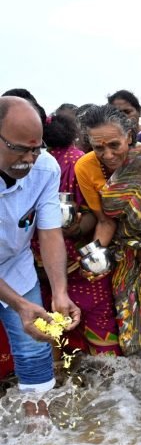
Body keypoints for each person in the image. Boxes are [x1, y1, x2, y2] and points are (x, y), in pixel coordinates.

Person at [75, 105, 141, 365]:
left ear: (130, 137)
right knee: (129, 317)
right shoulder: (85, 168)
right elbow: (105, 219)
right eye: (98, 148)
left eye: (114, 144)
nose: (107, 154)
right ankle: (137, 386)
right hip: (124, 252)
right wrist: (94, 256)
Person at [0, 97, 80, 415]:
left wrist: (60, 292)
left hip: (15, 265)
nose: (29, 159)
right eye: (19, 148)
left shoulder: (45, 166)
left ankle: (39, 440)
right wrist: (20, 304)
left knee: (35, 348)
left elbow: (49, 232)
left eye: (36, 148)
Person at [31, 114, 119, 354]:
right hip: (80, 262)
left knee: (52, 332)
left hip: (38, 266)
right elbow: (101, 214)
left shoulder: (30, 163)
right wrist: (78, 230)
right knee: (99, 331)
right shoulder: (80, 162)